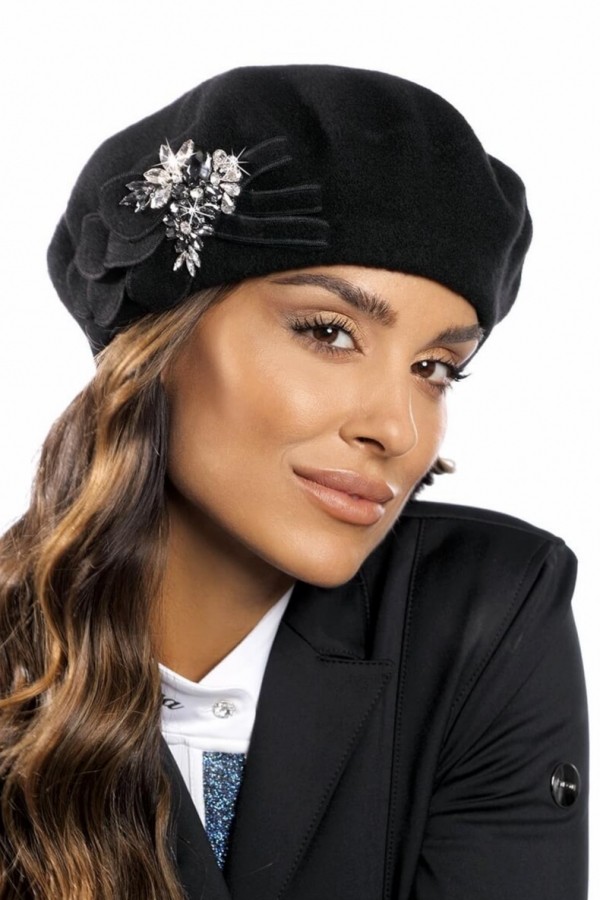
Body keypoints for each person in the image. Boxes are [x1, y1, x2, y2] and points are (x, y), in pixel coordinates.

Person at [0, 65, 588, 900]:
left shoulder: (478, 616)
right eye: (328, 332)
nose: (398, 429)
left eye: (434, 368)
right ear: (157, 344)